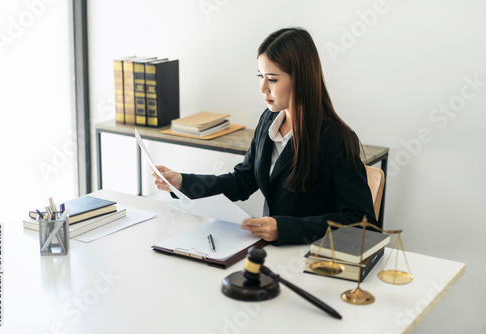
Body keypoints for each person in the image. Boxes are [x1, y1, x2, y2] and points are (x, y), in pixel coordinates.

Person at [153, 27, 377, 245]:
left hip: (311, 258)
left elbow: (361, 221)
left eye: (272, 79)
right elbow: (243, 181)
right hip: (269, 252)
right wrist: (182, 182)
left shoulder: (335, 138)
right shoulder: (269, 120)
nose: (263, 88)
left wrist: (284, 229)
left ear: (301, 80)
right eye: (261, 76)